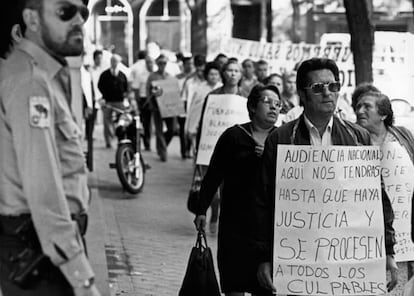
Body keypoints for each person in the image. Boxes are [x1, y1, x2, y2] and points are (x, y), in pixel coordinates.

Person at [255, 58, 398, 293]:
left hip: (347, 261)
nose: (328, 93)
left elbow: (377, 198)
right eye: (318, 88)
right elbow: (262, 201)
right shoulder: (280, 139)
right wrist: (263, 257)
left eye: (333, 86)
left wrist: (388, 251)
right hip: (298, 259)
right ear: (303, 94)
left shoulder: (358, 137)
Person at [0, 0, 101, 295]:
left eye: (83, 12)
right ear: (31, 19)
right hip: (39, 253)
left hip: (42, 248)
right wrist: (81, 277)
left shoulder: (42, 75)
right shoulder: (30, 81)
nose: (79, 20)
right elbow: (43, 187)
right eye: (64, 12)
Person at [195, 84, 281, 296]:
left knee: (266, 287)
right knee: (235, 284)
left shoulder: (283, 140)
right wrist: (201, 210)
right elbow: (213, 175)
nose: (274, 107)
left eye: (278, 104)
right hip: (235, 225)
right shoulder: (233, 136)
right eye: (267, 101)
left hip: (269, 228)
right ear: (252, 107)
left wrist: (271, 157)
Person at [353, 90, 414, 248]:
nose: (360, 111)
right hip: (368, 227)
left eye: (367, 107)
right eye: (358, 106)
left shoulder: (403, 135)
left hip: (405, 228)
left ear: (383, 114)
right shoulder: (352, 139)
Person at [196, 60, 248, 233]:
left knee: (230, 188)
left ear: (241, 75)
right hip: (212, 146)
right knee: (213, 185)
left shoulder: (245, 97)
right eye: (229, 70)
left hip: (237, 151)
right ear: (223, 73)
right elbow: (204, 124)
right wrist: (199, 148)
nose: (233, 74)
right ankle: (214, 211)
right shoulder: (213, 96)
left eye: (236, 71)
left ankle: (225, 220)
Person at [146, 54, 175, 162]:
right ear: (157, 64)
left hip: (169, 108)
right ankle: (163, 152)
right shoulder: (152, 76)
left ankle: (161, 146)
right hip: (157, 107)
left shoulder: (170, 76)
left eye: (164, 63)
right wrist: (151, 105)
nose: (162, 65)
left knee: (172, 129)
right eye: (160, 63)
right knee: (159, 130)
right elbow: (148, 91)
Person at [98, 54, 129, 148]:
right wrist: (104, 95)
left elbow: (126, 87)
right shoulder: (105, 74)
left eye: (116, 61)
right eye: (113, 61)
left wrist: (124, 95)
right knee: (107, 121)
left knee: (121, 120)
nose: (114, 63)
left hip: (119, 101)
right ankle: (109, 140)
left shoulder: (122, 75)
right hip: (108, 101)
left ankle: (120, 138)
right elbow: (100, 85)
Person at [130, 53, 157, 151]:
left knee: (151, 123)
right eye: (148, 63)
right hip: (144, 99)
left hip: (155, 99)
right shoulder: (141, 75)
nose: (150, 64)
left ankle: (151, 142)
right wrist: (138, 102)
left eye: (151, 62)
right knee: (145, 122)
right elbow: (135, 88)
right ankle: (145, 143)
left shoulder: (156, 74)